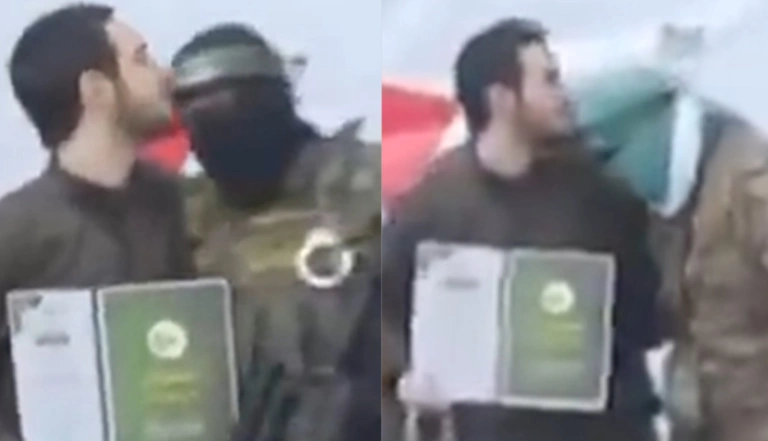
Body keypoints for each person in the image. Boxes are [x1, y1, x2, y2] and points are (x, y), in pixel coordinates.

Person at [382, 18, 661, 441]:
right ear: (502, 98)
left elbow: (650, 311)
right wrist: (405, 380)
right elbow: (384, 315)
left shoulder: (598, 190)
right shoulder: (434, 206)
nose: (564, 95)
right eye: (549, 80)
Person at [171, 24, 380, 441]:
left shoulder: (366, 185)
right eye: (196, 111)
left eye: (233, 102)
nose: (218, 127)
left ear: (275, 98)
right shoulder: (178, 217)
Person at [0, 4, 194, 439]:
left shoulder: (177, 204)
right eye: (142, 60)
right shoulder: (16, 230)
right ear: (96, 89)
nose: (166, 75)